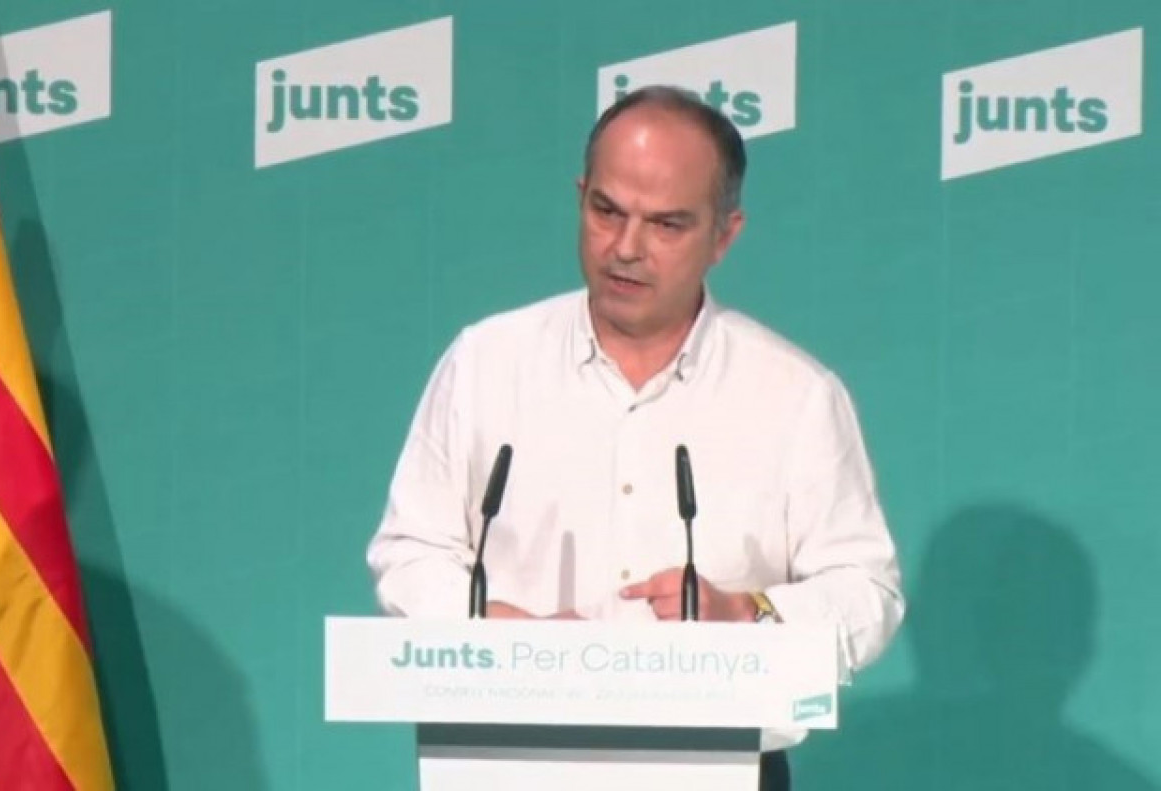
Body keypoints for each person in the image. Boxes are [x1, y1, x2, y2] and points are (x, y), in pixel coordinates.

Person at [367, 86, 905, 790]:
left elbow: (865, 590)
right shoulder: (486, 363)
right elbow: (411, 550)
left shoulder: (795, 395)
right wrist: (490, 627)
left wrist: (751, 614)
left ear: (725, 235)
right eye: (607, 211)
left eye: (666, 225)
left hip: (719, 768)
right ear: (580, 197)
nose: (625, 248)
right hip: (510, 763)